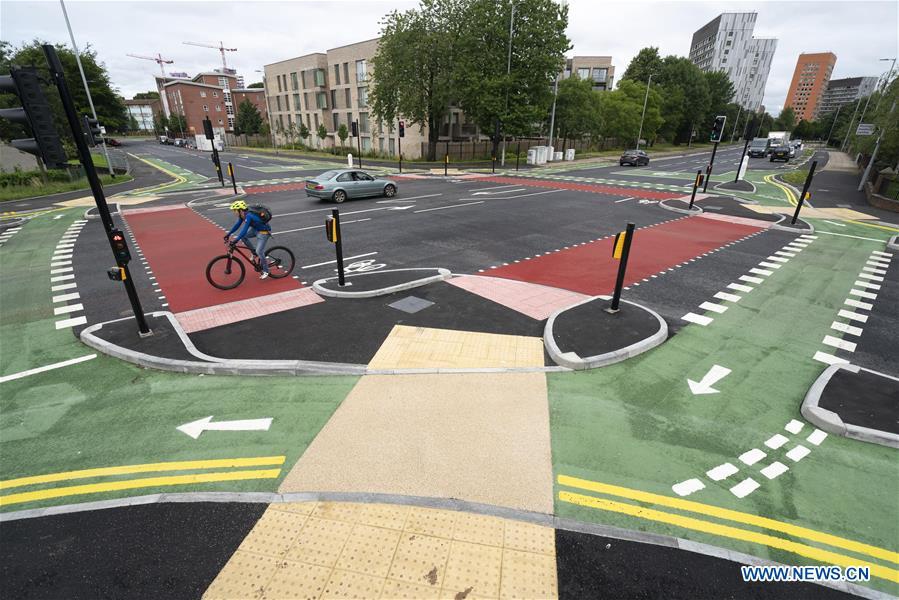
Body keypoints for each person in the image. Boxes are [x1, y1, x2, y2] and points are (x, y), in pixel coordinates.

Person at [224, 200, 272, 279]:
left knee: (259, 251)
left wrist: (236, 240)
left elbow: (244, 229)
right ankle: (254, 253)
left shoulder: (249, 216)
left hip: (263, 232)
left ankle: (266, 270)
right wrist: (228, 234)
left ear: (240, 210)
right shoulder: (242, 215)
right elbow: (237, 225)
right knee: (244, 237)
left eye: (235, 210)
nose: (234, 212)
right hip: (255, 229)